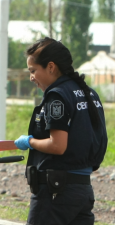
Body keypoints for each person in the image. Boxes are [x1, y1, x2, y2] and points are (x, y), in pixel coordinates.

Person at [14, 37, 107, 225]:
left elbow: (57, 146)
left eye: (33, 71)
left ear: (50, 67)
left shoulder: (57, 96)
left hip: (56, 192)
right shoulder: (89, 93)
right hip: (83, 190)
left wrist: (30, 142)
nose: (31, 77)